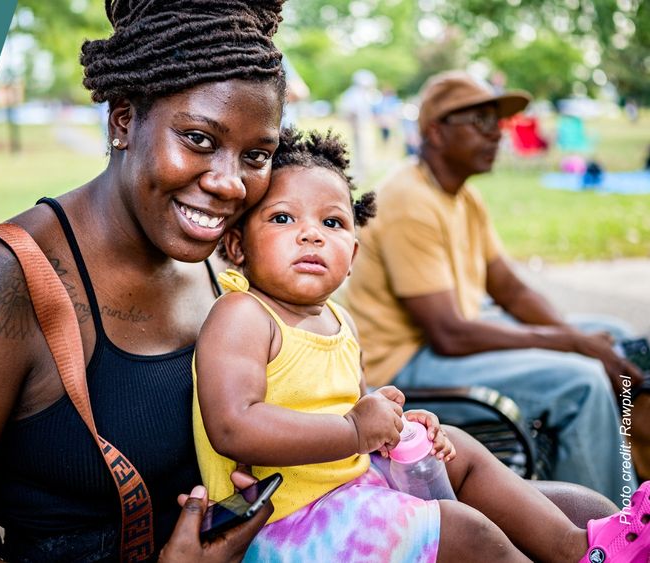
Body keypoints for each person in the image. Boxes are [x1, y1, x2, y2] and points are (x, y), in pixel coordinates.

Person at [0, 1, 289, 561]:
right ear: (123, 121)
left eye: (256, 155)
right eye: (200, 140)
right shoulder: (1, 282)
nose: (230, 185)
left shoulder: (226, 266)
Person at [192, 126, 650, 562]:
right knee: (460, 527)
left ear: (351, 255)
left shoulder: (338, 320)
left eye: (332, 222)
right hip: (282, 524)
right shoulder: (243, 316)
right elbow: (234, 425)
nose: (311, 234)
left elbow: (347, 409)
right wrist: (355, 430)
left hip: (344, 488)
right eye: (283, 218)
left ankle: (576, 547)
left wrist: (392, 424)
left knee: (459, 447)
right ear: (237, 246)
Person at [344, 70, 645, 500]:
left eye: (496, 123)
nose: (496, 135)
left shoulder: (463, 196)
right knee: (581, 381)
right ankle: (606, 530)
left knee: (612, 333)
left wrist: (576, 336)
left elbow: (510, 289)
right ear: (435, 132)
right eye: (480, 122)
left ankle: (629, 473)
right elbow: (449, 334)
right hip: (402, 366)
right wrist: (573, 345)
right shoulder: (408, 200)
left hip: (450, 337)